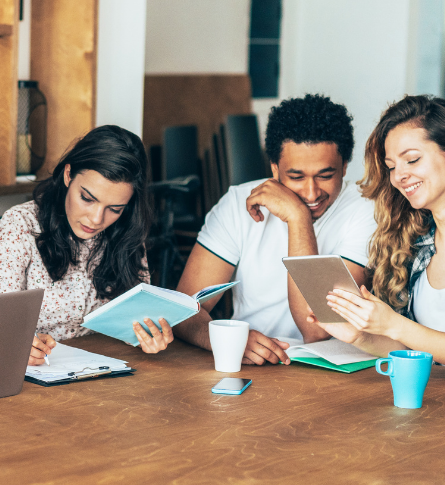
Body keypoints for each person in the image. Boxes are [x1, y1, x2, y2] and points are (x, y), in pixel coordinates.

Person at [173, 94, 376, 365]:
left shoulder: (366, 210)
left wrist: (298, 218)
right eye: (296, 177)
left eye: (325, 176)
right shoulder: (237, 203)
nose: (311, 191)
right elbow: (183, 309)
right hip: (250, 364)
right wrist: (223, 339)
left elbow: (317, 329)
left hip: (332, 373)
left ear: (345, 167)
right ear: (274, 168)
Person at [0, 125, 173, 365]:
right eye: (87, 198)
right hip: (36, 376)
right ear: (68, 175)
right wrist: (17, 343)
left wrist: (148, 336)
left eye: (114, 209)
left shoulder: (127, 232)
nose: (96, 219)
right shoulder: (20, 225)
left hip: (105, 371)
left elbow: (134, 317)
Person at [319, 95, 445, 362]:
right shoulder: (416, 241)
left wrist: (393, 324)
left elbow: (403, 330)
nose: (399, 176)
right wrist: (361, 335)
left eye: (411, 160)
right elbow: (419, 355)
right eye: (391, 167)